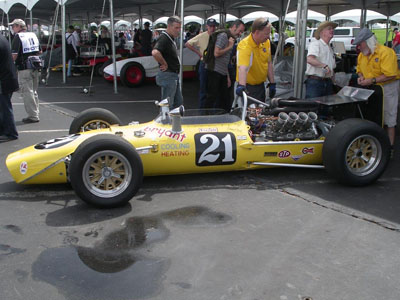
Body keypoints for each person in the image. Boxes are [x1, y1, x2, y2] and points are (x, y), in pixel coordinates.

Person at [353, 28, 400, 154]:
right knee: (373, 115)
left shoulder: (386, 52)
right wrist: (361, 77)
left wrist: (372, 80)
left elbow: (391, 74)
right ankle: (373, 144)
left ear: (368, 42)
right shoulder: (362, 55)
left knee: (389, 116)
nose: (359, 46)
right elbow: (359, 69)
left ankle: (389, 147)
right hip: (372, 88)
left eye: (360, 43)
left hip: (387, 87)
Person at [205, 20, 245, 112]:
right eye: (240, 31)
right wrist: (230, 47)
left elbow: (225, 60)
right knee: (212, 97)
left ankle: (221, 116)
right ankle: (206, 117)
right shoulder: (223, 36)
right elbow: (216, 53)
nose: (240, 33)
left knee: (224, 97)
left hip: (221, 71)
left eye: (242, 32)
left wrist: (227, 76)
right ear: (234, 27)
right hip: (214, 70)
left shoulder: (230, 38)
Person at [235, 18, 276, 102]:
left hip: (260, 87)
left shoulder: (266, 42)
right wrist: (242, 86)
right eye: (266, 34)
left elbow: (268, 63)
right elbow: (243, 68)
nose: (268, 36)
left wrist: (272, 83)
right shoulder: (245, 45)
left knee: (261, 111)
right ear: (257, 32)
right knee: (250, 113)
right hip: (248, 88)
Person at [10, 18, 41, 123]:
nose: (12, 28)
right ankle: (35, 112)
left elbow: (14, 55)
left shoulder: (18, 37)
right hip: (36, 65)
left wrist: (10, 65)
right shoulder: (32, 35)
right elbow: (39, 51)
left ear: (18, 26)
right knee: (34, 91)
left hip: (24, 67)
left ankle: (33, 115)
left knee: (27, 92)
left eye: (13, 26)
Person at [152, 16, 183, 110]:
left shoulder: (169, 38)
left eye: (179, 28)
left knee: (178, 103)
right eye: (176, 28)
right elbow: (155, 52)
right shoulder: (164, 38)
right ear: (169, 26)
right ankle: (166, 122)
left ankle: (175, 122)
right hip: (168, 75)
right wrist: (164, 63)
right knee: (168, 104)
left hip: (172, 75)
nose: (178, 30)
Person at [185, 18, 217, 108]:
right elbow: (187, 44)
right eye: (210, 26)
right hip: (204, 63)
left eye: (214, 26)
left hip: (214, 64)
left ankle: (212, 108)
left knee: (213, 88)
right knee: (203, 88)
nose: (212, 28)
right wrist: (198, 53)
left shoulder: (217, 36)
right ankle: (202, 109)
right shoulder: (201, 36)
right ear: (207, 26)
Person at [305, 21, 337, 99]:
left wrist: (333, 82)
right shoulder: (316, 44)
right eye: (329, 29)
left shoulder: (329, 48)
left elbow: (332, 68)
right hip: (315, 82)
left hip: (327, 82)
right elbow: (309, 59)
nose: (332, 30)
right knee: (313, 107)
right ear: (322, 32)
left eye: (332, 29)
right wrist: (324, 66)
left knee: (325, 108)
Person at [0, 33, 19, 142]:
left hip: (4, 80)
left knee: (5, 108)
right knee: (3, 107)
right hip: (7, 78)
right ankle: (4, 131)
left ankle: (10, 133)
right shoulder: (3, 38)